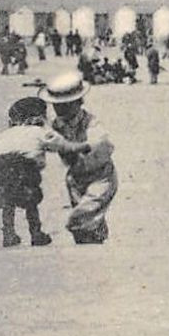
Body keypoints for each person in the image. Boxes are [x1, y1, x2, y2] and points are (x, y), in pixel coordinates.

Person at [0, 96, 86, 247]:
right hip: (21, 165)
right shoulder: (40, 132)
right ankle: (36, 233)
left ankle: (9, 233)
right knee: (31, 201)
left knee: (8, 201)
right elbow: (61, 145)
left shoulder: (6, 133)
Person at [42, 72, 118, 245]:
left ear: (79, 102)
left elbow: (102, 141)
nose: (60, 110)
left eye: (65, 106)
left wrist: (81, 146)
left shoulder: (90, 122)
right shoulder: (55, 125)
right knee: (87, 225)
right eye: (56, 106)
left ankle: (93, 242)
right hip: (76, 178)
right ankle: (90, 248)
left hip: (101, 176)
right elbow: (45, 139)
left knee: (80, 217)